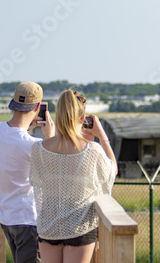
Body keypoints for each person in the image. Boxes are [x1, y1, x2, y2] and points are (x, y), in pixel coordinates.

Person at [29, 90, 117, 263]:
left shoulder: (38, 149)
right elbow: (112, 171)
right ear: (82, 118)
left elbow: (41, 180)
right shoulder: (92, 150)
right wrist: (102, 136)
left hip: (49, 224)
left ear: (58, 115)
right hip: (80, 224)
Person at [0, 82, 55, 263]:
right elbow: (57, 169)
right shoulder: (33, 145)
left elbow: (10, 136)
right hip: (29, 220)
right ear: (37, 108)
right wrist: (51, 137)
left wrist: (25, 127)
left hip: (7, 219)